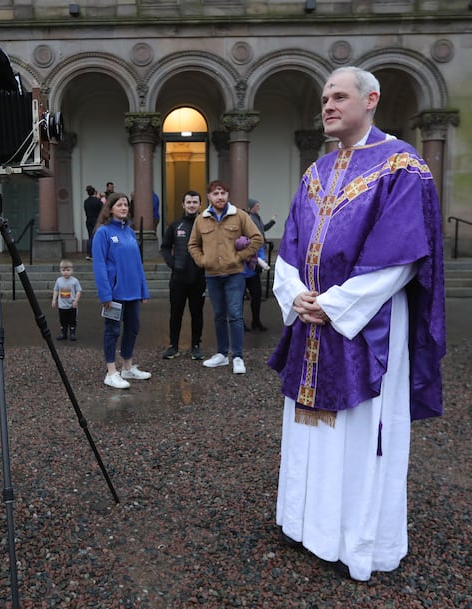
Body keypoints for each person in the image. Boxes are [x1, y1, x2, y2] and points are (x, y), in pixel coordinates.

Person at [267, 66, 446, 581]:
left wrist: (338, 305)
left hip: (368, 325)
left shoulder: (402, 167)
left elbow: (404, 255)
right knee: (311, 434)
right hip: (311, 321)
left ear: (371, 100)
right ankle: (307, 525)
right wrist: (296, 294)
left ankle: (355, 539)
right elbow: (291, 247)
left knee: (361, 432)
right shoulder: (316, 171)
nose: (327, 105)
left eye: (339, 96)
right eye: (324, 97)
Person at [188, 180, 263, 374]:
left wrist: (239, 257)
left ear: (227, 195)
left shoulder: (239, 215)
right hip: (212, 275)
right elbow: (193, 245)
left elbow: (257, 238)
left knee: (235, 315)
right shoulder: (201, 219)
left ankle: (237, 356)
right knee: (219, 315)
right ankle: (221, 354)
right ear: (209, 197)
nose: (219, 197)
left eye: (222, 193)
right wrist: (202, 261)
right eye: (215, 193)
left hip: (234, 274)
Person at [92, 193, 151, 389]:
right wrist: (105, 294)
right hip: (114, 292)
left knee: (133, 329)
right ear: (110, 208)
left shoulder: (130, 232)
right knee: (112, 330)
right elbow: (99, 265)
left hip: (133, 290)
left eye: (126, 204)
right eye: (119, 205)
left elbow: (137, 263)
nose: (124, 207)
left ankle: (127, 366)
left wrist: (143, 289)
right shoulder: (103, 232)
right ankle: (111, 372)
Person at [159, 190, 205, 360]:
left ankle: (195, 346)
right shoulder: (175, 225)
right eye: (189, 202)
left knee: (197, 314)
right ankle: (173, 346)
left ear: (200, 205)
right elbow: (165, 247)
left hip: (199, 279)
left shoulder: (205, 225)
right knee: (176, 313)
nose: (192, 205)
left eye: (195, 202)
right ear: (183, 205)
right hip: (178, 279)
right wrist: (173, 264)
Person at [236, 235, 270, 332]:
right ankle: (239, 322)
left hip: (252, 271)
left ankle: (256, 321)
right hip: (239, 272)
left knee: (257, 295)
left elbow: (258, 245)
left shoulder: (252, 232)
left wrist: (261, 260)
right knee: (239, 299)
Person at [52, 258, 82, 341]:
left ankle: (72, 333)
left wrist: (76, 301)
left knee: (72, 320)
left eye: (68, 270)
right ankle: (63, 333)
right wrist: (54, 300)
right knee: (63, 320)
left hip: (72, 305)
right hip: (62, 306)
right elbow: (56, 290)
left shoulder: (74, 281)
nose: (66, 272)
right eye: (63, 270)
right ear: (60, 270)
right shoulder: (59, 281)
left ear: (72, 270)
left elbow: (78, 291)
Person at [83, 185, 103, 260]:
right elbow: (103, 209)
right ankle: (94, 253)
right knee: (96, 237)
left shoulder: (86, 201)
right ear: (95, 192)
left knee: (90, 236)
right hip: (96, 220)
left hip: (88, 220)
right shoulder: (98, 201)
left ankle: (89, 253)